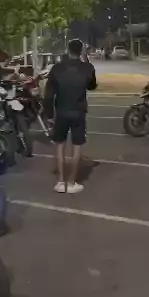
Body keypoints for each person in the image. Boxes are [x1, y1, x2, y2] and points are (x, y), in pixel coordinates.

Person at [44, 38, 97, 193]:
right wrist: (86, 61)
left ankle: (60, 182)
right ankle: (72, 182)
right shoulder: (87, 68)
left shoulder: (57, 68)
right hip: (78, 112)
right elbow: (92, 86)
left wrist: (49, 114)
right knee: (77, 146)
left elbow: (48, 94)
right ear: (81, 51)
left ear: (68, 50)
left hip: (61, 111)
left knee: (59, 145)